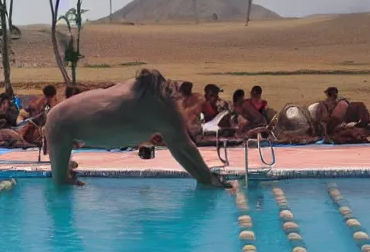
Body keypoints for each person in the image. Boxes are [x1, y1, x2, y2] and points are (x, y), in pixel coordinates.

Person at [44, 69, 232, 188]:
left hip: (62, 121)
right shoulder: (163, 106)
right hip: (61, 124)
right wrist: (208, 180)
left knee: (61, 183)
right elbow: (184, 149)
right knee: (60, 185)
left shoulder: (146, 95)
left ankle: (66, 166)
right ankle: (65, 168)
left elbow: (183, 149)